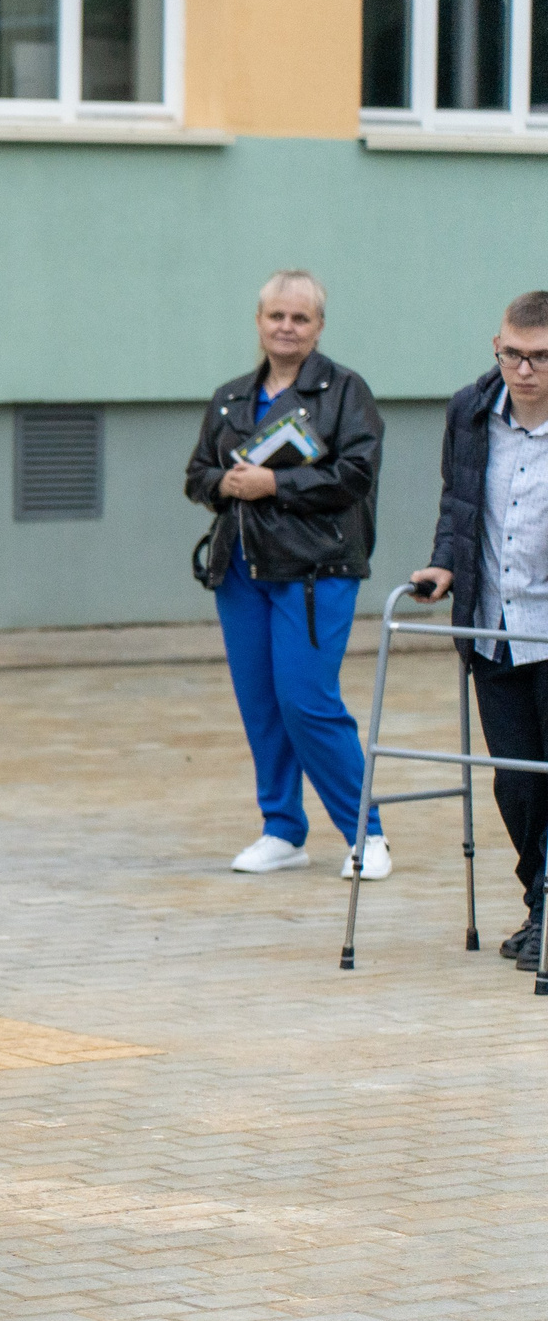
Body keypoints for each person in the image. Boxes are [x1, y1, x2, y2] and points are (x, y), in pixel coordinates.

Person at [186, 269, 389, 880]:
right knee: (262, 704)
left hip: (314, 570)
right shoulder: (231, 397)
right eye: (277, 316)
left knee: (308, 701)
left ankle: (366, 833)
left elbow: (356, 474)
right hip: (242, 570)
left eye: (301, 318)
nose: (287, 327)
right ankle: (282, 829)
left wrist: (276, 482)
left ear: (319, 327)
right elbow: (196, 474)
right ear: (259, 321)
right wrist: (225, 481)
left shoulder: (346, 392)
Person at [409, 291, 548, 971]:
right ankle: (540, 903)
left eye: (541, 357)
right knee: (516, 782)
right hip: (494, 627)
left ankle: (547, 916)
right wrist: (443, 563)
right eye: (512, 354)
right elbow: (458, 501)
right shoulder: (470, 412)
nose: (523, 370)